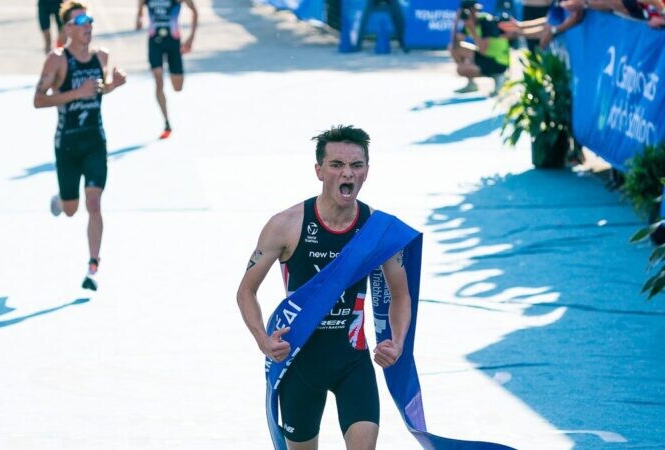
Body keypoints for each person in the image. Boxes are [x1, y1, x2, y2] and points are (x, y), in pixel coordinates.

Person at [236, 125, 411, 450]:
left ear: (367, 171)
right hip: (299, 363)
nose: (347, 173)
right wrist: (263, 340)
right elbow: (246, 291)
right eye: (336, 165)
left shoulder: (377, 229)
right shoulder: (286, 225)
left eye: (356, 165)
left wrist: (397, 342)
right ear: (319, 170)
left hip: (353, 361)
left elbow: (400, 294)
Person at [33, 0, 127, 290]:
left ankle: (93, 264)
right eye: (81, 21)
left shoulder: (102, 56)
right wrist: (77, 93)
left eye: (90, 20)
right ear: (68, 28)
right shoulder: (57, 60)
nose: (88, 26)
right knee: (72, 209)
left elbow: (101, 87)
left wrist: (113, 85)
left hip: (95, 141)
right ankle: (62, 199)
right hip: (67, 145)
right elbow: (38, 100)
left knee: (94, 203)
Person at [136, 0, 198, 139]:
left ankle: (173, 71)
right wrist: (138, 18)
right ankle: (166, 122)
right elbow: (140, 7)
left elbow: (194, 10)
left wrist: (191, 38)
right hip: (155, 42)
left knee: (177, 87)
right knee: (159, 80)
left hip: (173, 42)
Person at [450, 0, 512, 96]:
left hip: (498, 61)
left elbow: (483, 50)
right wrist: (456, 23)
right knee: (454, 49)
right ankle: (471, 84)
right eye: (468, 11)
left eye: (474, 10)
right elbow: (454, 45)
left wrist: (472, 29)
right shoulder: (468, 22)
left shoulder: (486, 21)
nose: (473, 13)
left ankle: (498, 76)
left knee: (461, 69)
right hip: (486, 56)